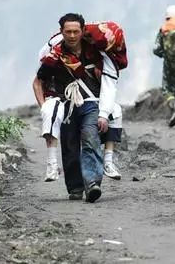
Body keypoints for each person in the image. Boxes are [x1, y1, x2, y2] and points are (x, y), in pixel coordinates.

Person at [36, 13, 118, 203]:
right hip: (66, 105)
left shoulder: (96, 53)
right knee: (70, 144)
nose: (72, 35)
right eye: (68, 32)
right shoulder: (54, 56)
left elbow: (109, 82)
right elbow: (38, 81)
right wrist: (45, 108)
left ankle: (92, 184)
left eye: (75, 31)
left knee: (91, 137)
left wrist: (104, 113)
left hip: (91, 103)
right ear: (61, 32)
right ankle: (75, 187)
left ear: (82, 31)